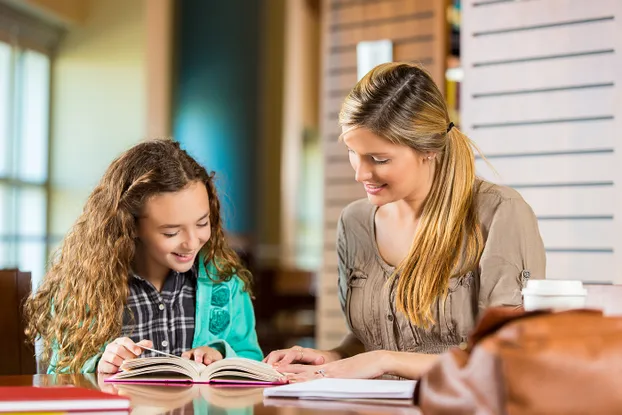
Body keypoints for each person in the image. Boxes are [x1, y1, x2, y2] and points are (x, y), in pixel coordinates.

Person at [264, 62, 546, 381]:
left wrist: (385, 360)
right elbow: (368, 341)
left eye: (379, 159)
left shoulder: (500, 212)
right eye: (353, 152)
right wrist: (329, 358)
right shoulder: (355, 221)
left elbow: (503, 358)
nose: (360, 174)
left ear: (427, 149)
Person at [24, 139, 263, 374]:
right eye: (171, 232)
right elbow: (60, 374)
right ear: (131, 225)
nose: (191, 242)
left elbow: (252, 359)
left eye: (202, 223)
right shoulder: (86, 287)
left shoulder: (225, 282)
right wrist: (100, 365)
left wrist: (221, 356)